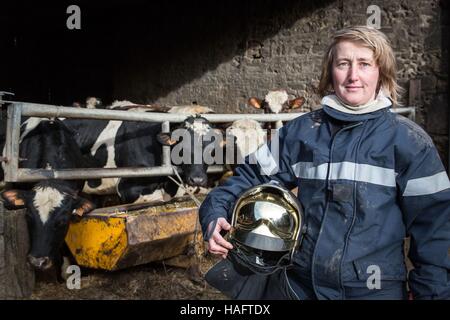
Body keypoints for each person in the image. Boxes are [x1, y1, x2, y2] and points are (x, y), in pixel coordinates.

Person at [199, 26, 450, 300]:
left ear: (382, 72)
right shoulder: (301, 133)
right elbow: (247, 179)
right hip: (298, 287)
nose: (353, 75)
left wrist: (432, 293)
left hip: (373, 291)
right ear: (330, 72)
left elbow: (435, 228)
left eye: (365, 64)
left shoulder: (410, 142)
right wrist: (215, 215)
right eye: (343, 64)